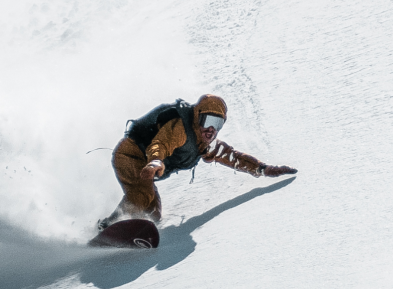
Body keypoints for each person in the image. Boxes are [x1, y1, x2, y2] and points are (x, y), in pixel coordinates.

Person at [103, 93, 296, 225]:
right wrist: (155, 161)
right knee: (142, 196)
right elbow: (160, 145)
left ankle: (128, 230)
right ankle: (110, 225)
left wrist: (263, 169)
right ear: (197, 117)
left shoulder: (206, 145)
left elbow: (232, 157)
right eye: (208, 121)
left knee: (154, 215)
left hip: (149, 168)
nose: (211, 130)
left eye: (217, 123)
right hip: (131, 155)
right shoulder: (180, 128)